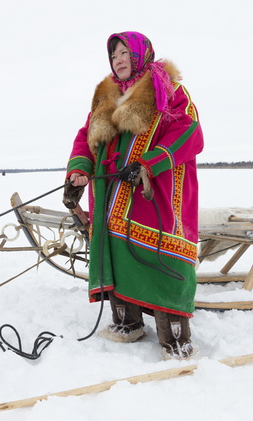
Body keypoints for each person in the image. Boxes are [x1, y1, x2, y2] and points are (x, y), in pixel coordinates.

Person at [63, 31, 204, 360]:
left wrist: (147, 164)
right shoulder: (105, 98)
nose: (119, 59)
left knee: (159, 256)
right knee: (116, 250)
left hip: (154, 191)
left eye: (125, 52)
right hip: (110, 193)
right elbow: (86, 137)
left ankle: (175, 337)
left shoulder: (168, 90)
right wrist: (80, 169)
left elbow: (189, 132)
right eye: (114, 56)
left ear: (141, 54)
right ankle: (128, 322)